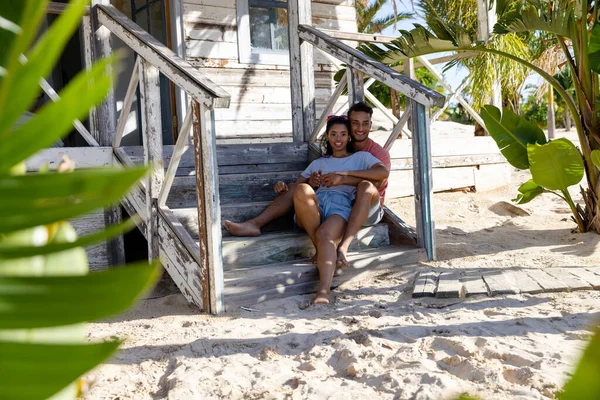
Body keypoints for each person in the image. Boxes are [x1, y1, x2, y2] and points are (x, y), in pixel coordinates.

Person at [223, 102, 391, 266]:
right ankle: (255, 224)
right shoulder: (327, 158)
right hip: (329, 203)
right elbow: (302, 185)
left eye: (365, 124)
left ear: (370, 125)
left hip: (365, 206)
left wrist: (343, 176)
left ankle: (339, 248)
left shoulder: (373, 154)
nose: (360, 128)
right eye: (355, 123)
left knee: (364, 187)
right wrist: (310, 183)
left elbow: (376, 182)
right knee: (299, 188)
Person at [289, 116, 388, 303]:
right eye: (333, 134)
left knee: (325, 234)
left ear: (349, 137)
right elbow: (296, 188)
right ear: (327, 137)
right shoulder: (319, 163)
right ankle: (320, 246)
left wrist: (343, 176)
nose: (338, 138)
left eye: (343, 134)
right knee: (302, 190)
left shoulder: (361, 158)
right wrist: (311, 183)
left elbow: (382, 173)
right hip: (314, 207)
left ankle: (323, 292)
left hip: (339, 205)